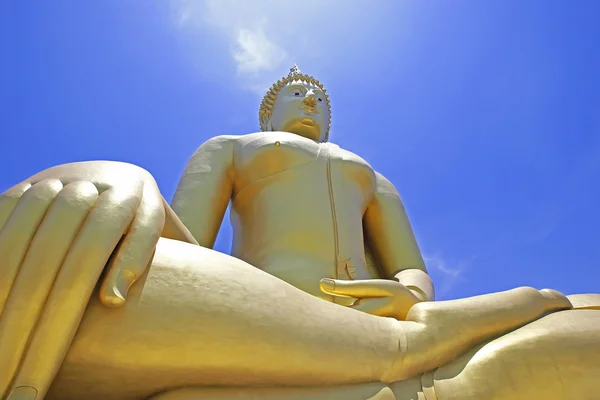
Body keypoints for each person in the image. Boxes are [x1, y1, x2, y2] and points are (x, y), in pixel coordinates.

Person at [0, 66, 598, 400]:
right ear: (270, 112)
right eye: (297, 93)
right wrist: (121, 183)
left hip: (374, 320)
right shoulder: (233, 148)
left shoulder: (368, 174)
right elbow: (183, 247)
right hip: (263, 315)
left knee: (582, 316)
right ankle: (412, 354)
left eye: (321, 98)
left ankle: (408, 348)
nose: (311, 99)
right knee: (85, 277)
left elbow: (411, 267)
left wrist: (412, 295)